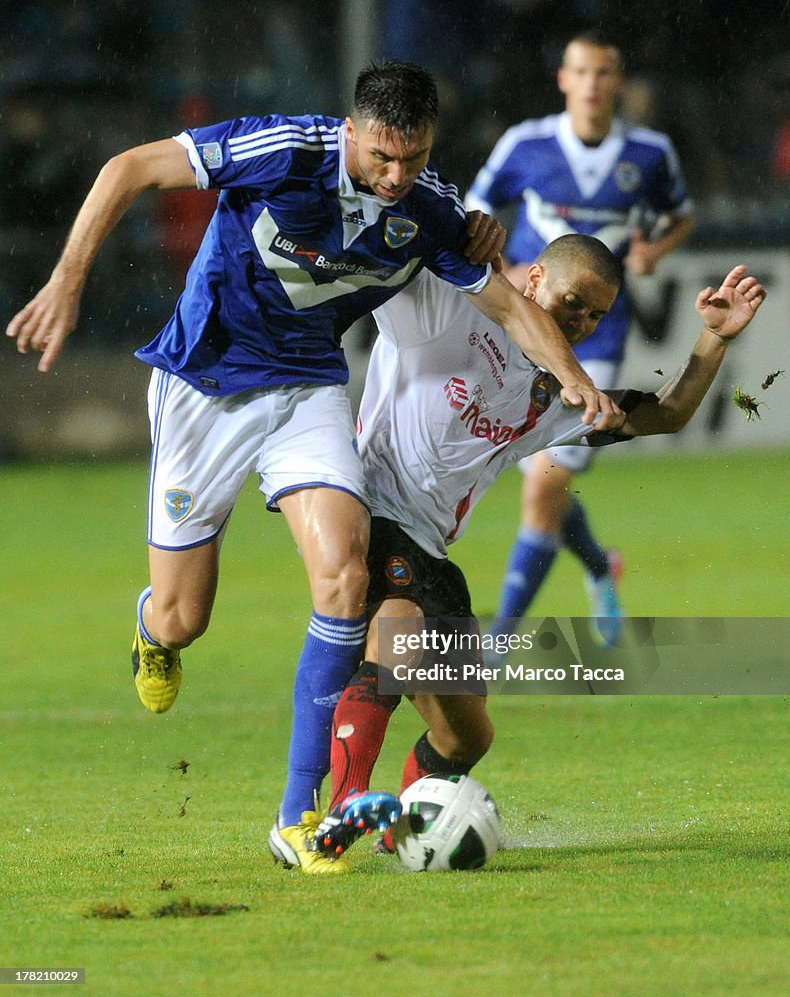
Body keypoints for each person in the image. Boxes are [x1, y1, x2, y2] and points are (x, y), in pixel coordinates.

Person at [5, 60, 620, 875]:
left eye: (414, 159)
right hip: (206, 383)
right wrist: (68, 278)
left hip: (308, 389)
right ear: (353, 131)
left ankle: (299, 817)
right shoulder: (284, 150)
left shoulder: (428, 210)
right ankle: (154, 627)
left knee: (344, 574)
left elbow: (510, 305)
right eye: (382, 158)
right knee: (188, 615)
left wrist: (577, 383)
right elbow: (129, 168)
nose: (397, 177)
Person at [308, 237, 764, 862]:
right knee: (401, 646)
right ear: (535, 278)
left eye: (595, 315)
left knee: (467, 737)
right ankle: (343, 806)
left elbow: (669, 413)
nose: (580, 322)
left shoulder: (559, 393)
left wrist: (715, 338)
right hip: (375, 512)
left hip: (435, 552)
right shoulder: (448, 308)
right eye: (573, 302)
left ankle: (410, 833)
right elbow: (390, 247)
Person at [465, 29, 695, 645]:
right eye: (581, 72)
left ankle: (498, 642)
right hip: (522, 328)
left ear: (618, 83)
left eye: (603, 73)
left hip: (596, 338)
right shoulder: (527, 144)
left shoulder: (647, 154)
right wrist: (503, 271)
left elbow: (681, 212)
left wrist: (654, 249)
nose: (592, 84)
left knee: (544, 483)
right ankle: (600, 564)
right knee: (543, 477)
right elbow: (474, 210)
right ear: (563, 79)